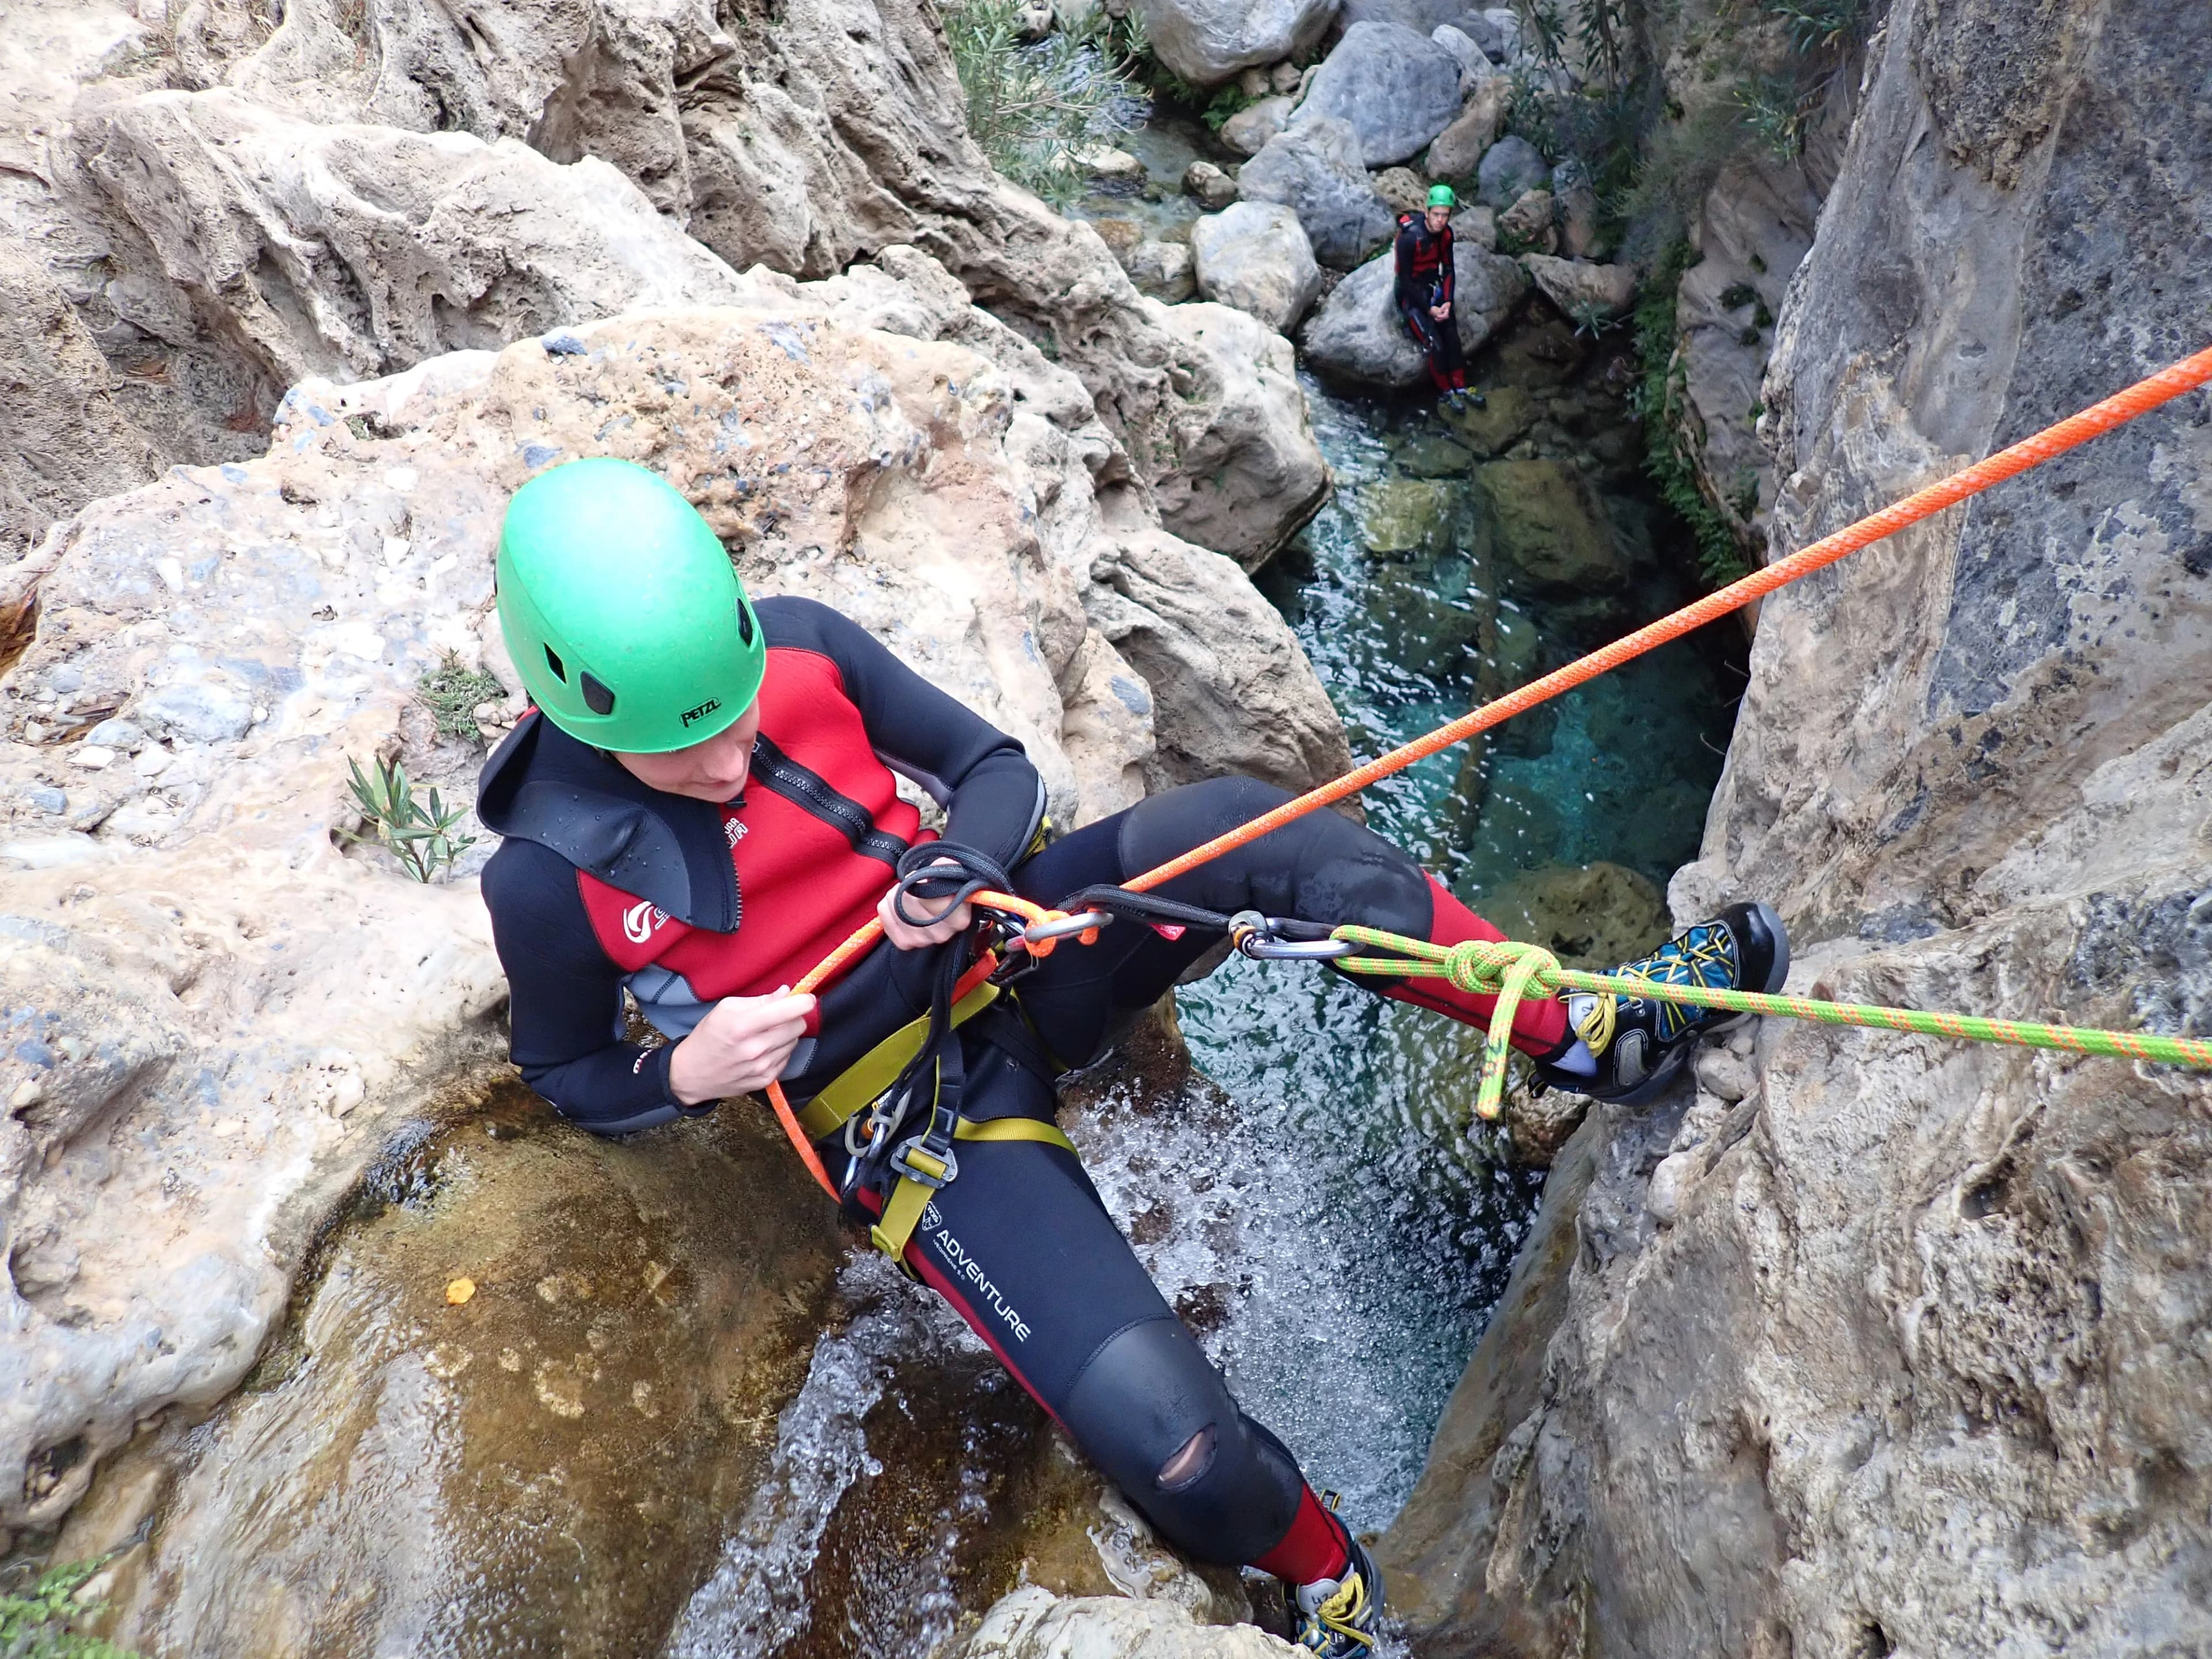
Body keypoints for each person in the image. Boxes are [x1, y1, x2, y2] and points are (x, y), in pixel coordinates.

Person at [474, 459, 1789, 1654]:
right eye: (683, 741)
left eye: (735, 713)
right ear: (578, 712)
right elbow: (571, 1073)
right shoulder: (547, 884)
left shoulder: (804, 650)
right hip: (914, 1116)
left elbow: (986, 768)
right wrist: (688, 1072)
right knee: (1182, 1455)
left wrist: (959, 862)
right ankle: (1337, 1595)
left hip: (1007, 949)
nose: (727, 754)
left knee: (1251, 834)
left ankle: (1591, 1039)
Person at [1395, 184, 1474, 404]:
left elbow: (1448, 269)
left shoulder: (1446, 235)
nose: (1440, 220)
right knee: (1435, 344)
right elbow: (1405, 280)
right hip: (1410, 294)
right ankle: (1446, 392)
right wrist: (1428, 309)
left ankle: (1461, 386)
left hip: (1432, 286)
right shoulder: (1409, 238)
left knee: (1452, 338)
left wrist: (1447, 301)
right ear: (1427, 212)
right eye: (1436, 214)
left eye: (1445, 215)